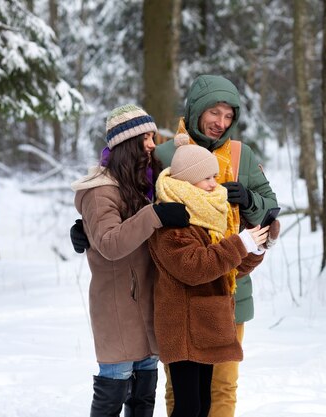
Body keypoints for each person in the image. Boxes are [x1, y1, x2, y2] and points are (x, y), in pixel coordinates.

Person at [153, 74, 279, 417]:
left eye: (229, 116)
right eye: (215, 112)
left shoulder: (241, 156)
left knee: (222, 386)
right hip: (182, 291)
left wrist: (250, 199)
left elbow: (270, 208)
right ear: (196, 110)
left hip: (231, 288)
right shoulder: (164, 154)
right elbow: (134, 208)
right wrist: (91, 226)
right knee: (180, 393)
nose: (221, 123)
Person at [70, 104, 190, 417]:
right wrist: (155, 215)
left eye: (153, 136)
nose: (152, 144)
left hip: (148, 305)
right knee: (113, 393)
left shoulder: (143, 182)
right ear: (126, 144)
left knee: (143, 397)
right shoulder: (101, 191)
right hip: (118, 309)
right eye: (146, 138)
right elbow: (110, 244)